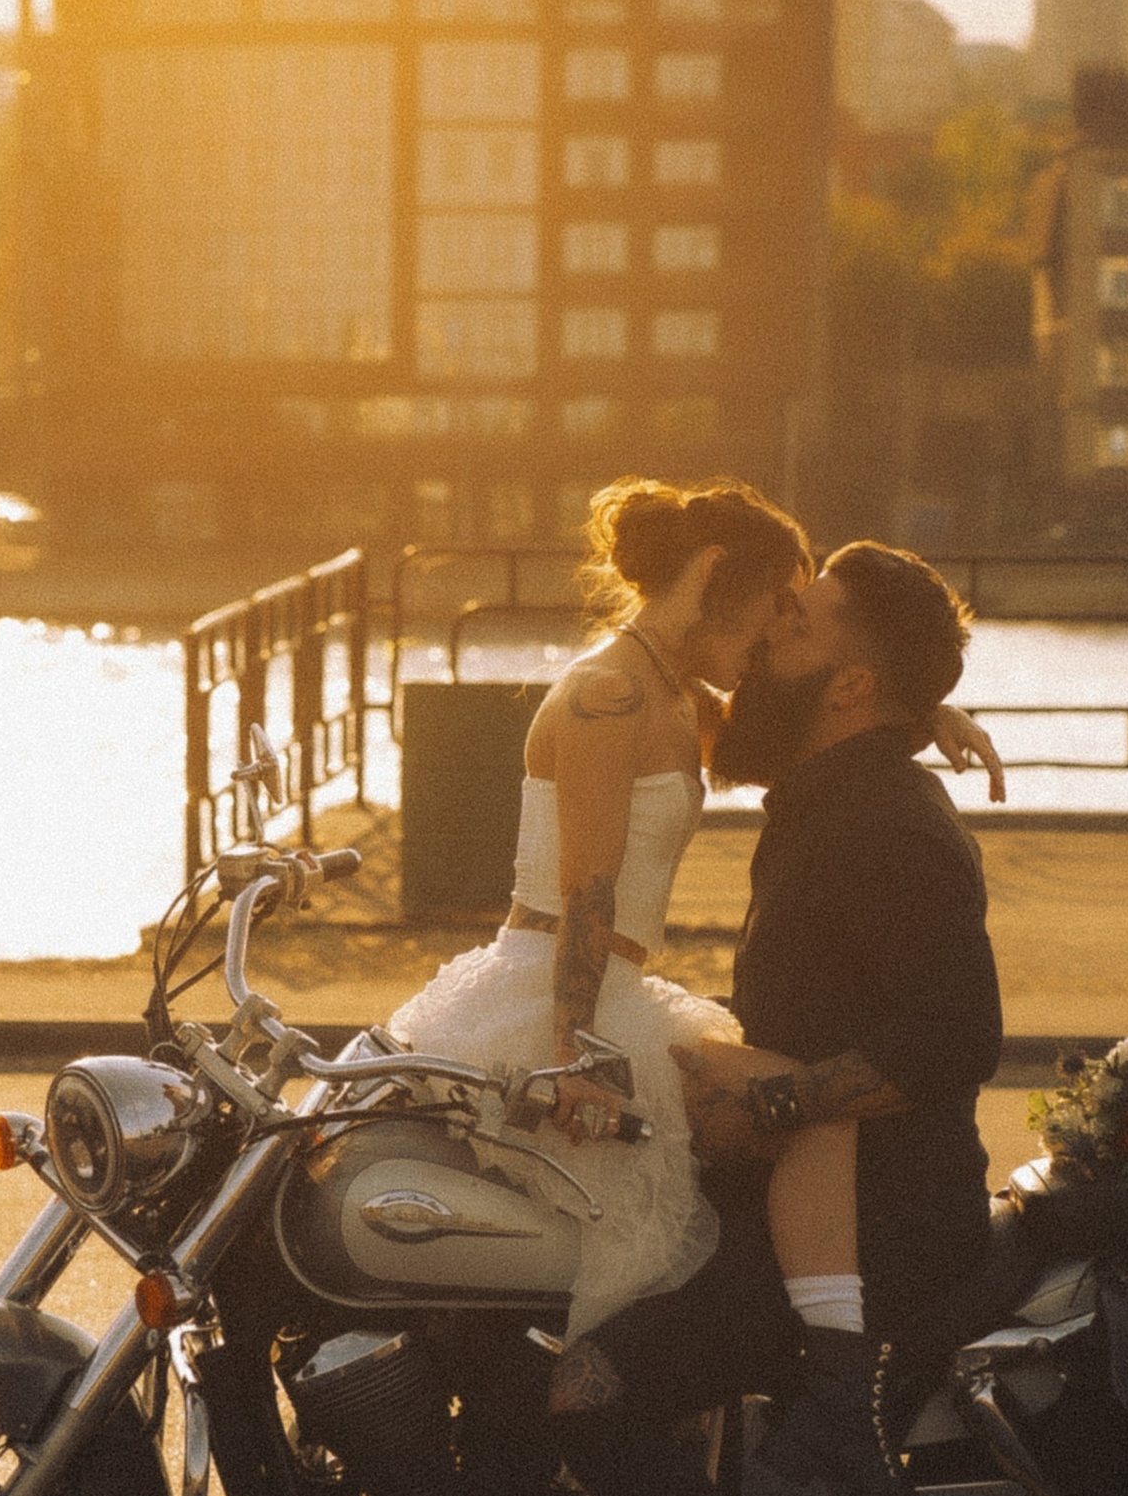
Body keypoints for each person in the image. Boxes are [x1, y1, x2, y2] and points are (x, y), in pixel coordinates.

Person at [551, 540, 1005, 1496]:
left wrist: (777, 1097)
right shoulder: (833, 785)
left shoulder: (879, 821)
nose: (761, 648)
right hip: (806, 1192)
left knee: (594, 1389)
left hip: (880, 1223)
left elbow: (951, 1041)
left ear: (850, 690)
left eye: (792, 632)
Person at [385, 480, 999, 1356]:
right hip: (566, 993)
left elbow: (786, 727)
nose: (777, 630)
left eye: (799, 614)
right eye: (777, 604)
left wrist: (916, 707)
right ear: (714, 576)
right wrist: (577, 1053)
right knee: (792, 1137)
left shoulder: (671, 695)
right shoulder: (612, 695)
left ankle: (815, 1374)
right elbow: (586, 892)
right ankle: (829, 1373)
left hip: (610, 992)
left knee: (763, 1152)